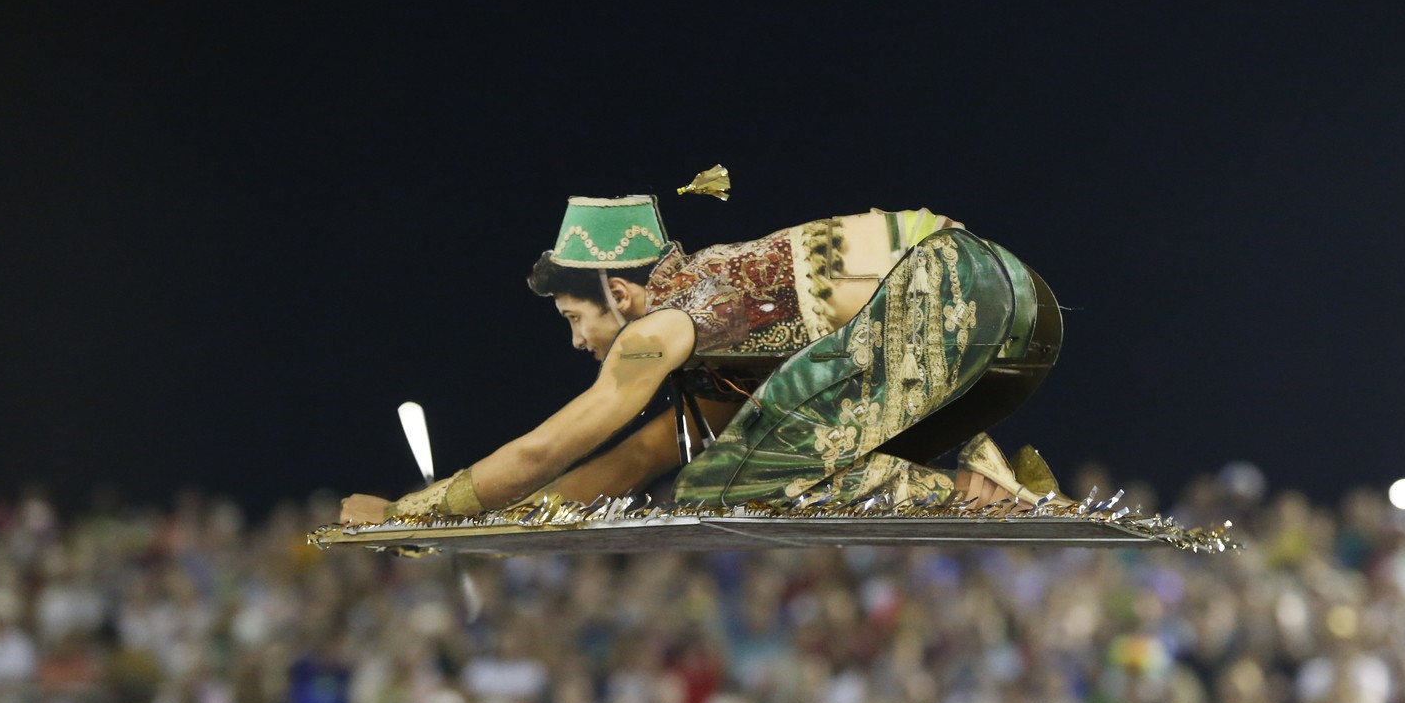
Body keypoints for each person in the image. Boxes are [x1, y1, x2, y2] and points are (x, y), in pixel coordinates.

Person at [339, 196, 1067, 524]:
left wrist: (416, 512)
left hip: (948, 294)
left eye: (573, 317)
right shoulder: (732, 333)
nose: (575, 342)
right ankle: (992, 479)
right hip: (1020, 315)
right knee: (760, 453)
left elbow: (547, 447)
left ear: (620, 293)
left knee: (725, 485)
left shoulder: (665, 319)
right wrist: (500, 523)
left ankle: (988, 495)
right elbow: (638, 459)